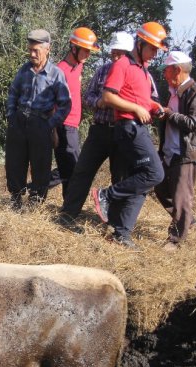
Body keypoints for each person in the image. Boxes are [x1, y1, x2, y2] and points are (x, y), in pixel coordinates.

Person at [89, 22, 169, 249]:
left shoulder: (143, 71)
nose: (155, 54)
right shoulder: (122, 64)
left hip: (138, 126)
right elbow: (108, 97)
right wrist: (135, 109)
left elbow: (141, 99)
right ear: (141, 43)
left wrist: (154, 107)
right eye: (152, 48)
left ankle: (121, 234)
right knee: (155, 173)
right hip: (128, 126)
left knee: (142, 181)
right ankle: (106, 194)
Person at [57, 31, 134, 225]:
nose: (115, 57)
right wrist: (100, 102)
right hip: (99, 130)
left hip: (121, 132)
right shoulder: (103, 71)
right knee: (81, 172)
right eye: (113, 52)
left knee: (120, 177)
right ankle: (68, 216)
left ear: (129, 54)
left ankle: (116, 223)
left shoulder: (137, 74)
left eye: (120, 53)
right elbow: (88, 97)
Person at [5, 29, 71, 210]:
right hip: (19, 121)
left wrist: (49, 125)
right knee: (14, 162)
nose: (32, 54)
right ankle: (16, 199)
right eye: (30, 50)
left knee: (40, 165)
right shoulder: (24, 70)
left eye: (36, 51)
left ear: (47, 49)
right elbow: (13, 93)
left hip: (41, 123)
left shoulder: (56, 74)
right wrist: (11, 116)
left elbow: (65, 104)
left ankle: (35, 203)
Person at [154, 51, 196, 250]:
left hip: (186, 153)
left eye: (167, 70)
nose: (165, 74)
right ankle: (189, 221)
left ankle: (176, 240)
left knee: (181, 197)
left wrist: (169, 114)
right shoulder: (174, 92)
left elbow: (193, 123)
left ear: (177, 70)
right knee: (159, 186)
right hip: (170, 151)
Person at [51, 27, 99, 198]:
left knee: (69, 167)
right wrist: (53, 131)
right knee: (72, 168)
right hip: (63, 125)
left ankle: (37, 186)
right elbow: (50, 104)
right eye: (86, 50)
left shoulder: (78, 66)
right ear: (73, 48)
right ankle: (67, 208)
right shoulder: (59, 71)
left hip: (73, 126)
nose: (88, 55)